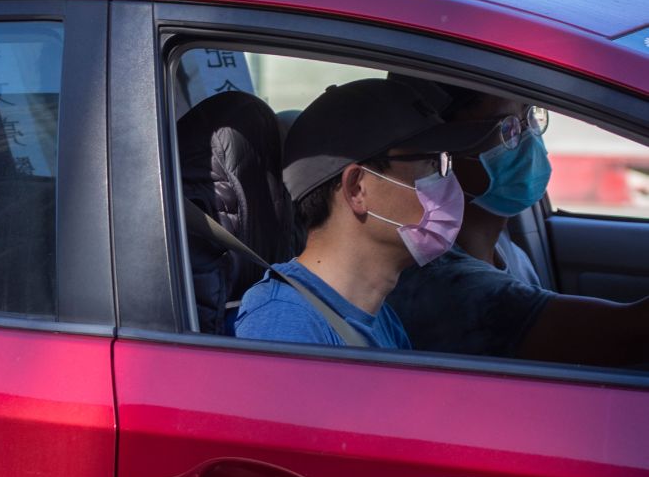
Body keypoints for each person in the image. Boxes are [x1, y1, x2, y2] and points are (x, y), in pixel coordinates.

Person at [387, 77, 649, 367]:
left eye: (530, 117)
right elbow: (631, 336)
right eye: (508, 128)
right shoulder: (444, 285)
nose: (530, 138)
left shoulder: (503, 245)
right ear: (443, 150)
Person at [235, 78, 491, 347]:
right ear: (357, 189)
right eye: (430, 163)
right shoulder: (284, 323)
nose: (448, 182)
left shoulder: (380, 317)